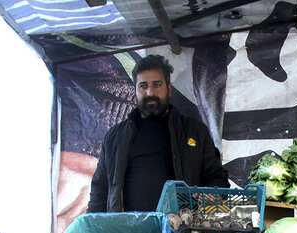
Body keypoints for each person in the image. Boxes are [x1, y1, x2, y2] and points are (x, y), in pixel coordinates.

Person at [87, 54, 229, 213]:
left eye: (157, 84)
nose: (150, 92)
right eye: (143, 86)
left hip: (180, 232)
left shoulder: (195, 131)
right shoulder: (114, 138)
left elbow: (217, 177)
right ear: (135, 90)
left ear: (168, 89)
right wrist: (93, 229)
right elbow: (100, 191)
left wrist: (211, 194)